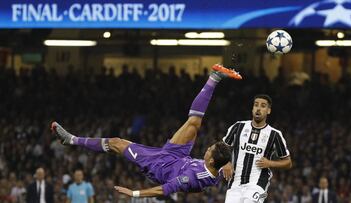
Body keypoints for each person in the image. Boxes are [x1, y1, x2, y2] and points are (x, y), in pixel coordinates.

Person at [51, 64, 241, 198]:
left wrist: (134, 193)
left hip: (159, 166)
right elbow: (224, 160)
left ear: (212, 160)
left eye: (210, 149)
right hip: (178, 156)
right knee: (193, 124)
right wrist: (228, 163)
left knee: (116, 142)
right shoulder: (216, 166)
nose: (207, 148)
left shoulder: (189, 179)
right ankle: (214, 77)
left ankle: (71, 140)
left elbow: (163, 190)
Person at [222, 94, 292, 203]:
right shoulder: (238, 126)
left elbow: (288, 162)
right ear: (252, 109)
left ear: (268, 111)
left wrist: (270, 163)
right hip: (235, 183)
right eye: (256, 105)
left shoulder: (275, 135)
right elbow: (222, 147)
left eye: (263, 106)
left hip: (257, 183)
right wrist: (226, 162)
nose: (258, 108)